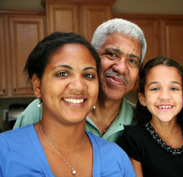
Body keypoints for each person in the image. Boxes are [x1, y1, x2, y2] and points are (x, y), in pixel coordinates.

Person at [0, 32, 136, 177]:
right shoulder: (4, 152)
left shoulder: (117, 158)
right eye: (62, 73)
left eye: (88, 75)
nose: (78, 86)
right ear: (37, 85)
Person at [13, 18, 147, 142]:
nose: (121, 68)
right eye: (112, 54)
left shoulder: (141, 120)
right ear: (92, 58)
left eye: (132, 61)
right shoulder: (43, 110)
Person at [117, 57, 183, 177]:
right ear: (143, 99)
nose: (165, 97)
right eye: (155, 88)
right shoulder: (134, 139)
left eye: (174, 88)